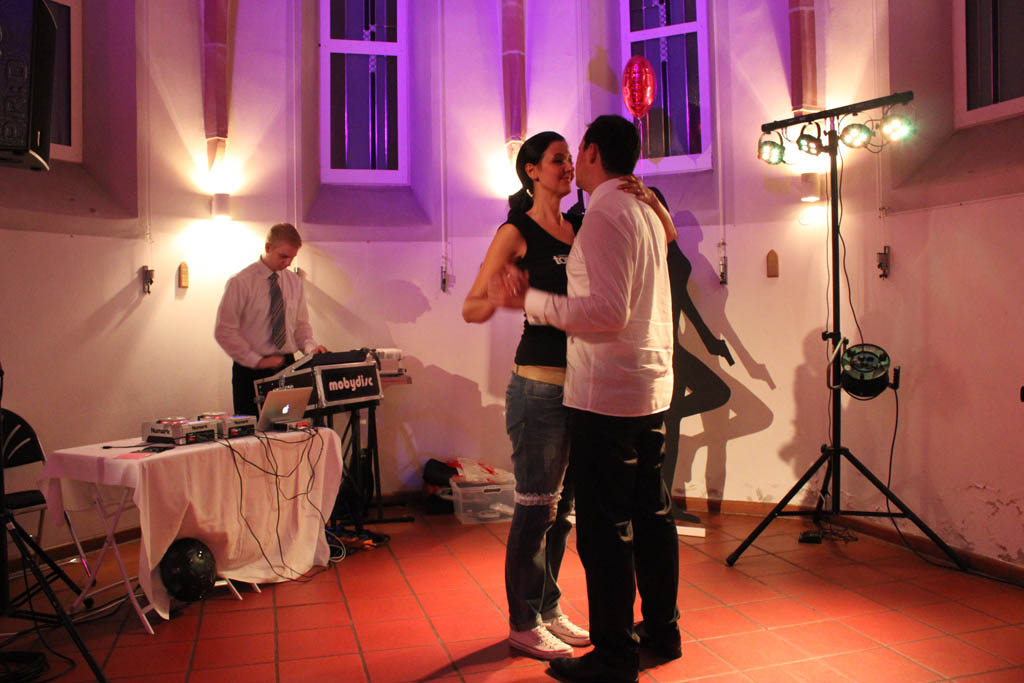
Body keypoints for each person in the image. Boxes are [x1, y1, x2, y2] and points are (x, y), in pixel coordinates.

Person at [463, 131, 675, 661]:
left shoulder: (584, 223)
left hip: (585, 389)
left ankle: (549, 606)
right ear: (531, 171)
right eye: (556, 159)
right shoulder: (516, 231)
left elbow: (666, 236)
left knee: (565, 512)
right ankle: (523, 620)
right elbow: (472, 306)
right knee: (536, 508)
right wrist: (507, 297)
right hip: (539, 385)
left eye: (569, 158)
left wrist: (645, 195)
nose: (566, 167)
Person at [215, 223, 327, 416]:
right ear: (268, 248)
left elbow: (301, 326)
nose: (288, 263)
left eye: (292, 257)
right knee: (253, 429)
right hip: (251, 369)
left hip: (287, 364)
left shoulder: (294, 282)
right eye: (283, 256)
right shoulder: (241, 282)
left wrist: (311, 350)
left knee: (288, 425)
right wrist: (257, 361)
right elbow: (224, 331)